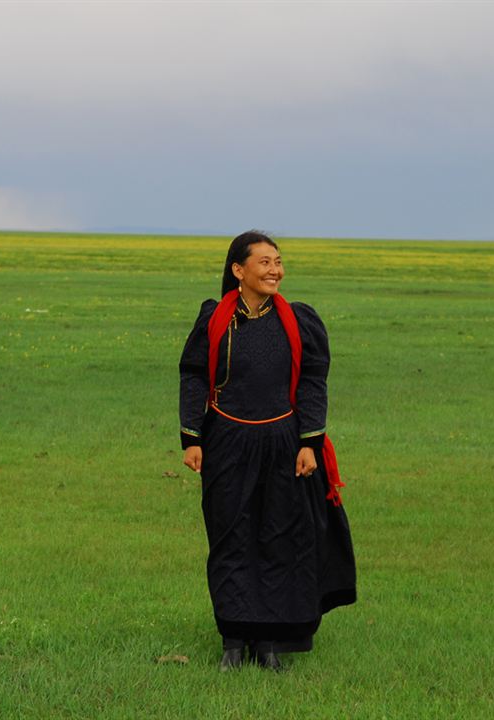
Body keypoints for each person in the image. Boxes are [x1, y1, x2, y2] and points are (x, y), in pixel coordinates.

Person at [179, 230, 357, 672]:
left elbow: (314, 381)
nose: (275, 269)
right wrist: (192, 438)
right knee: (230, 538)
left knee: (279, 539)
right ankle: (234, 643)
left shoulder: (298, 321)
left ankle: (270, 644)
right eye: (265, 262)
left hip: (283, 443)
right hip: (226, 443)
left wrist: (310, 443)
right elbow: (193, 376)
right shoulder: (214, 319)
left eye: (278, 261)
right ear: (239, 270)